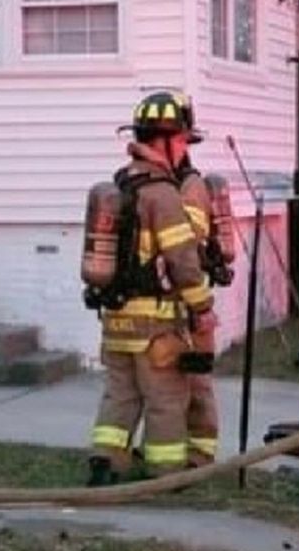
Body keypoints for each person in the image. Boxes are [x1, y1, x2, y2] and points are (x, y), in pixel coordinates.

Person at [87, 91, 215, 485]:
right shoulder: (163, 193)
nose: (185, 149)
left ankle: (106, 462)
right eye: (182, 140)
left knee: (120, 396)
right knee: (166, 400)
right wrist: (203, 307)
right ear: (165, 141)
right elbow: (183, 261)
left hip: (116, 321)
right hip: (154, 325)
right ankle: (165, 472)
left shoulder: (122, 183)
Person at [171, 94, 230, 468]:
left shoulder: (190, 186)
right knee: (168, 381)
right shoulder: (163, 182)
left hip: (191, 296)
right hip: (170, 298)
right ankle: (172, 446)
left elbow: (188, 244)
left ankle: (200, 452)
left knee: (196, 380)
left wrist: (197, 305)